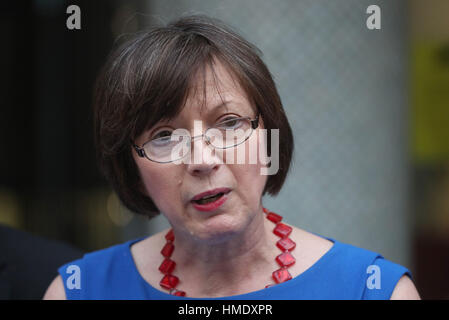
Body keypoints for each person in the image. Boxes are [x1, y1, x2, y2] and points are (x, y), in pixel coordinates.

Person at [43, 14, 420, 300]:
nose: (202, 160)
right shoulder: (78, 290)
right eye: (164, 136)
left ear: (269, 135)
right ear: (132, 167)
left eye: (228, 123)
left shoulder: (372, 291)